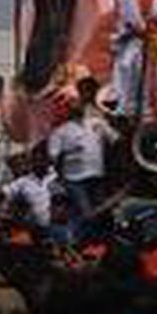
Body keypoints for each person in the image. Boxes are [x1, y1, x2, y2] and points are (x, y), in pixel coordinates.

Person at [48, 77, 109, 237]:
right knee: (85, 211)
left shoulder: (100, 112)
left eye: (90, 90)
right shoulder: (72, 110)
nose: (87, 93)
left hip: (96, 170)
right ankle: (76, 239)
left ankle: (89, 238)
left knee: (96, 209)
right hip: (74, 174)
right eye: (84, 90)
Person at [1, 144, 57, 231]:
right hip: (34, 231)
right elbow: (6, 192)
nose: (38, 164)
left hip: (58, 230)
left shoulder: (57, 177)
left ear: (48, 161)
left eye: (41, 160)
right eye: (35, 160)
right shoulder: (23, 182)